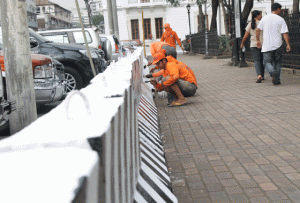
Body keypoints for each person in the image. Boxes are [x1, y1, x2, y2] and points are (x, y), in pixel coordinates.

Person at [256, 3, 291, 85]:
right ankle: (277, 80)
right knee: (277, 62)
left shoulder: (264, 18)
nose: (281, 11)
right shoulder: (281, 19)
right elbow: (285, 33)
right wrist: (288, 44)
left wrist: (258, 40)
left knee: (267, 62)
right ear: (278, 9)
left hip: (267, 45)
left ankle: (272, 72)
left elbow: (258, 30)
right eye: (280, 10)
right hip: (278, 44)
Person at [241, 10, 264, 83]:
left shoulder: (250, 24)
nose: (261, 16)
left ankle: (259, 75)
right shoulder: (262, 23)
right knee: (262, 60)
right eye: (260, 15)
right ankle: (262, 75)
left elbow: (245, 36)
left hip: (254, 45)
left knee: (256, 60)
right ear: (257, 16)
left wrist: (242, 43)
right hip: (262, 44)